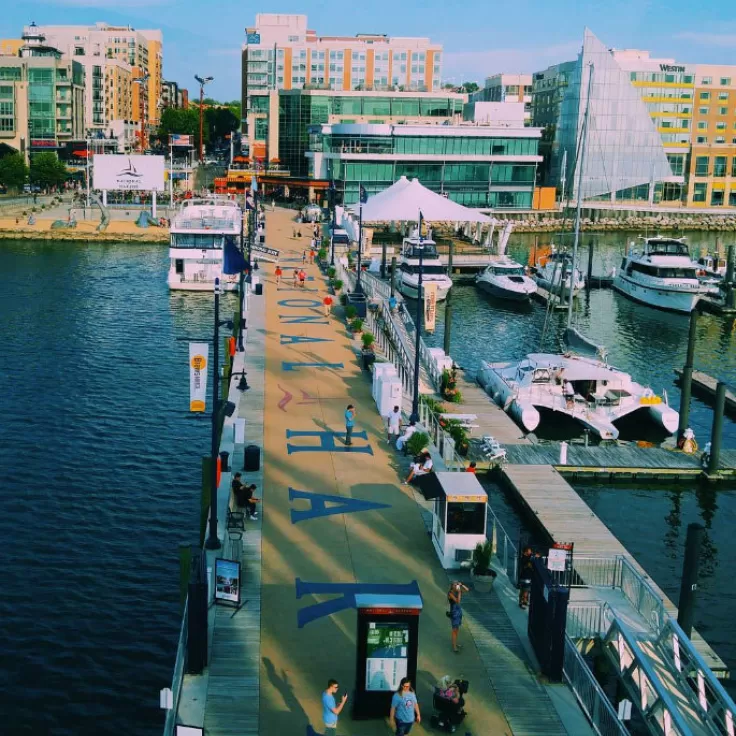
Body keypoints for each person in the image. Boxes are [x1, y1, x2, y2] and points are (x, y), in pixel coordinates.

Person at [448, 581, 469, 653]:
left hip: (459, 611)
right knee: (454, 630)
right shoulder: (450, 593)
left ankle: (455, 643)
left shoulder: (457, 591)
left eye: (456, 585)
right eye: (454, 585)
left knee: (457, 629)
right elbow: (457, 601)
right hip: (454, 612)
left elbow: (467, 590)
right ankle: (454, 647)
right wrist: (459, 592)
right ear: (452, 586)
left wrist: (462, 585)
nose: (456, 586)